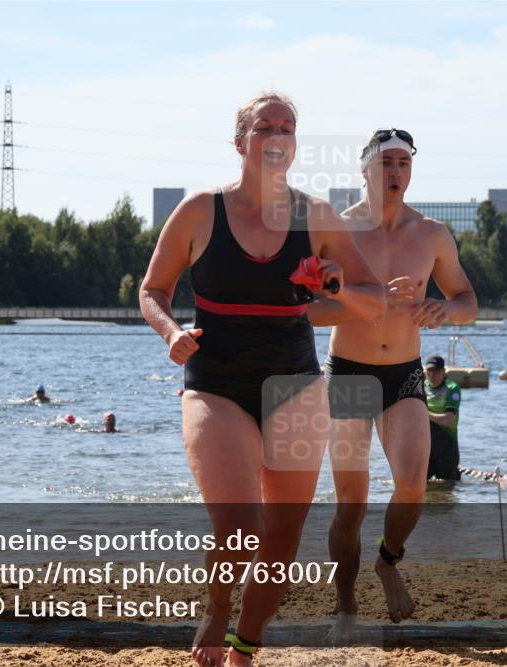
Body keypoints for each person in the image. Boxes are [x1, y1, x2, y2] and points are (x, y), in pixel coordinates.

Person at [139, 92, 385, 667]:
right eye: (264, 126)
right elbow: (152, 289)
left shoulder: (316, 216)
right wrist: (169, 331)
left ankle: (245, 647)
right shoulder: (201, 211)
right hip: (215, 384)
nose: (277, 135)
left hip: (296, 386)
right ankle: (217, 609)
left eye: (287, 127)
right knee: (240, 524)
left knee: (280, 540)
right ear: (240, 142)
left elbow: (371, 299)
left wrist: (334, 286)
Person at [307, 127, 477, 640]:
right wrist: (369, 297)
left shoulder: (431, 235)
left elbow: (468, 301)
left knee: (412, 484)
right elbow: (309, 312)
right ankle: (345, 606)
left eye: (404, 162)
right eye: (386, 163)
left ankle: (388, 561)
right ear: (365, 170)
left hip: (403, 373)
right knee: (351, 503)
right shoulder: (337, 230)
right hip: (350, 372)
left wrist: (443, 309)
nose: (396, 171)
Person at [423, 355, 461, 482]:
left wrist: (423, 413)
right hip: (425, 445)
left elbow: (447, 420)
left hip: (446, 444)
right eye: (429, 371)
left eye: (436, 371)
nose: (432, 375)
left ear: (443, 371)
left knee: (448, 487)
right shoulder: (421, 387)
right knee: (423, 489)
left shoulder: (452, 388)